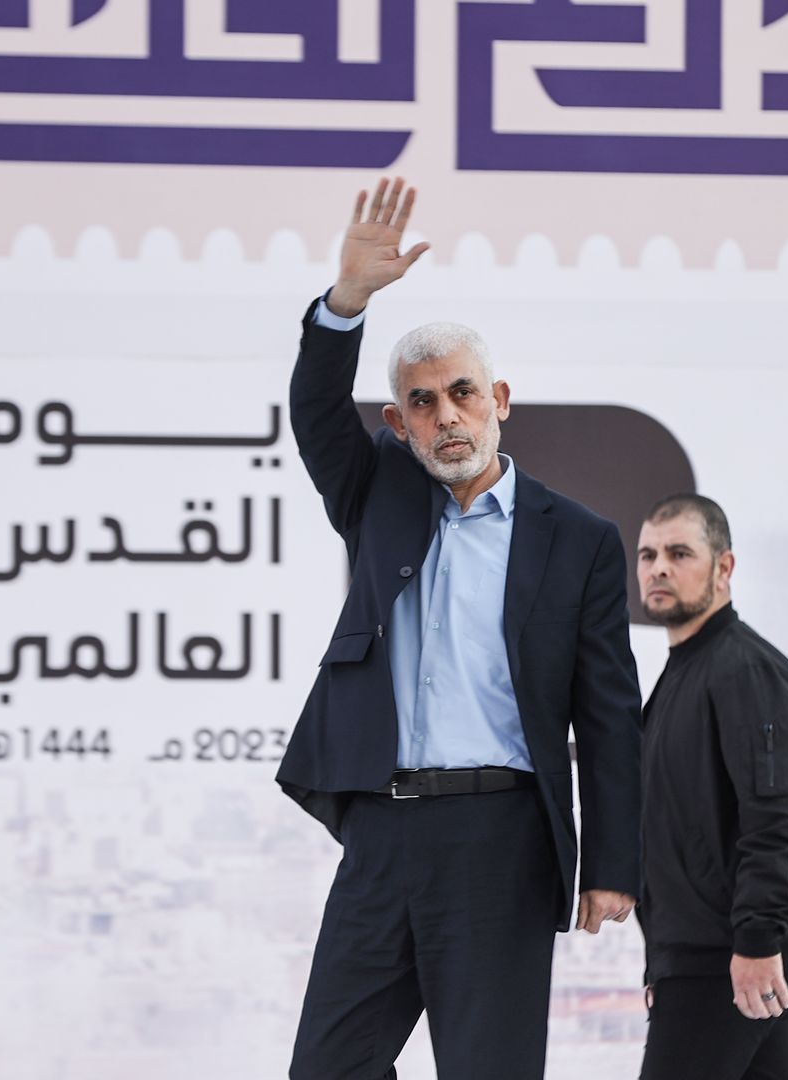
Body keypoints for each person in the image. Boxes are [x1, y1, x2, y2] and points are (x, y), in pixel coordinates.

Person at [278, 178, 643, 1080]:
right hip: (384, 830)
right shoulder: (378, 500)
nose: (447, 417)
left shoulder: (580, 540)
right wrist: (346, 304)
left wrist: (612, 862)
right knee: (327, 1067)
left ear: (500, 399)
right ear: (398, 426)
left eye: (462, 394)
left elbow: (606, 715)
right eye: (424, 404)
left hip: (502, 836)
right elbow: (321, 414)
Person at [633, 495, 788, 1080]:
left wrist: (758, 942)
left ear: (724, 568)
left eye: (679, 553)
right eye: (647, 555)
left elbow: (779, 821)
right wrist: (660, 964)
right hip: (703, 959)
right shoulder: (683, 673)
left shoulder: (746, 670)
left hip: (730, 960)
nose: (658, 568)